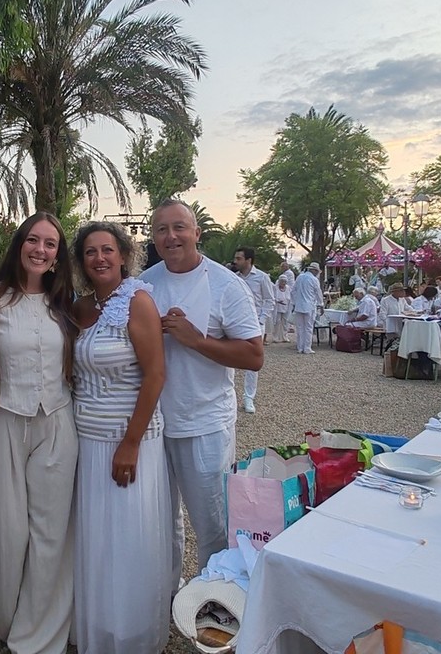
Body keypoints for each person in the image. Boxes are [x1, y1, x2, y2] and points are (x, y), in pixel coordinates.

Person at [139, 200, 262, 594]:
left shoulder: (226, 285)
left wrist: (196, 340)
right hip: (153, 425)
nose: (171, 236)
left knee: (211, 524)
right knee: (161, 522)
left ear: (197, 232)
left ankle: (216, 600)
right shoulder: (145, 284)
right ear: (153, 237)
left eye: (179, 227)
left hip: (204, 424)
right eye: (161, 229)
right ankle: (169, 596)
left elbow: (254, 356)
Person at [71, 221, 171, 654]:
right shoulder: (80, 307)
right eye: (90, 252)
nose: (100, 258)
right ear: (81, 261)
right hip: (86, 437)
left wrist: (130, 443)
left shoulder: (138, 301)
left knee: (128, 537)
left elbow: (155, 375)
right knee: (95, 539)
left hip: (128, 438)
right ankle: (98, 625)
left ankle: (130, 633)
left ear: (124, 255)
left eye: (107, 250)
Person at [0, 213, 78, 654]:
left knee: (50, 532)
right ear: (19, 244)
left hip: (58, 423)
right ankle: (2, 621)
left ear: (58, 255)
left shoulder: (66, 304)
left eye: (50, 244)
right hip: (4, 421)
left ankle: (39, 634)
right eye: (32, 240)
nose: (40, 250)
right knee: (6, 533)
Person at [232, 247, 273, 411]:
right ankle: (229, 396)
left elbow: (269, 300)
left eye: (239, 258)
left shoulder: (262, 277)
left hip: (254, 324)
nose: (235, 261)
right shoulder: (234, 278)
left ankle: (248, 398)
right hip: (235, 322)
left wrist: (261, 320)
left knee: (252, 362)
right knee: (229, 358)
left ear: (248, 260)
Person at [291, 262, 324, 354]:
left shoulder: (299, 277)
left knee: (300, 327)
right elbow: (318, 293)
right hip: (309, 306)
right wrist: (321, 305)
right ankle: (307, 348)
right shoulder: (314, 279)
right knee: (308, 327)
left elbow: (293, 291)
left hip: (299, 306)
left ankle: (300, 347)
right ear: (314, 270)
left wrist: (294, 302)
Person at [271, 275, 292, 344]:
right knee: (277, 322)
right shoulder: (275, 288)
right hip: (277, 307)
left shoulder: (288, 288)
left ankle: (285, 337)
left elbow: (289, 297)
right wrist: (277, 301)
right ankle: (275, 337)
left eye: (284, 282)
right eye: (282, 281)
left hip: (286, 307)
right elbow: (272, 297)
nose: (283, 283)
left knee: (285, 323)